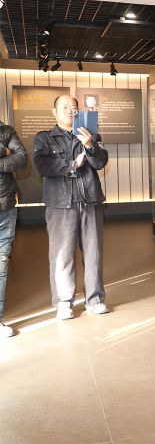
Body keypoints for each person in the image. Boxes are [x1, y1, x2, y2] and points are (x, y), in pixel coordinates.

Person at [33, 94, 109, 320]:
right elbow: (42, 165)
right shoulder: (44, 138)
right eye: (64, 107)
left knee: (94, 253)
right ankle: (64, 302)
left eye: (73, 107)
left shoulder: (91, 134)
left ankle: (95, 300)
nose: (70, 110)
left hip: (90, 200)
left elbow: (100, 162)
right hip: (60, 204)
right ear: (54, 112)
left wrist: (90, 146)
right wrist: (72, 165)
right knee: (62, 254)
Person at [0, 120, 28, 337]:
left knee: (1, 262)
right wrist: (4, 152)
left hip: (5, 205)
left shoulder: (6, 130)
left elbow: (21, 158)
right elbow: (12, 156)